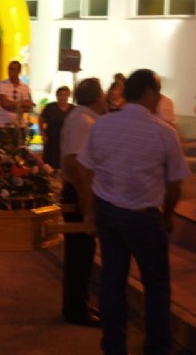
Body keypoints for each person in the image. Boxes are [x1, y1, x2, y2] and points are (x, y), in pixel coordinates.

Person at [79, 69, 190, 355]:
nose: (160, 98)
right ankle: (157, 348)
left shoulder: (102, 125)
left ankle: (114, 346)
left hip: (108, 213)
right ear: (149, 92)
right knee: (156, 286)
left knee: (112, 283)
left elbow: (87, 170)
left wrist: (91, 212)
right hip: (144, 219)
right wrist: (167, 216)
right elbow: (175, 184)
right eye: (158, 91)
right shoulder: (164, 132)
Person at [59, 78, 104, 327]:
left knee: (83, 253)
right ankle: (76, 308)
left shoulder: (83, 118)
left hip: (80, 192)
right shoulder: (84, 121)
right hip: (79, 194)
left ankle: (80, 303)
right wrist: (86, 199)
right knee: (79, 254)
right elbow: (73, 162)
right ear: (97, 96)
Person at [0, 60, 34, 146]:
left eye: (13, 69)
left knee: (19, 152)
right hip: (3, 126)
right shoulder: (2, 85)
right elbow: (4, 103)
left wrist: (11, 106)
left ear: (19, 71)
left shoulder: (25, 87)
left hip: (20, 127)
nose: (10, 72)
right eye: (9, 69)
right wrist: (22, 103)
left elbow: (28, 107)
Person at [39, 85, 74, 170]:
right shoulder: (50, 107)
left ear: (68, 96)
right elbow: (41, 120)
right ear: (57, 96)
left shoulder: (73, 109)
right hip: (52, 139)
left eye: (65, 95)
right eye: (61, 95)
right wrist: (42, 134)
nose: (63, 97)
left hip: (67, 141)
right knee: (50, 164)